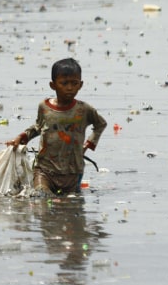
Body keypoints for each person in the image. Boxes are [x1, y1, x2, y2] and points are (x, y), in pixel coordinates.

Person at [7, 58, 107, 196]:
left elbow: (100, 124)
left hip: (73, 172)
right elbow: (38, 127)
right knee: (41, 197)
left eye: (74, 83)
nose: (70, 88)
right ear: (53, 85)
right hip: (45, 170)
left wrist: (89, 144)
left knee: (69, 206)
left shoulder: (84, 110)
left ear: (81, 84)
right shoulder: (44, 107)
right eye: (64, 83)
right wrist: (22, 137)